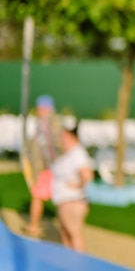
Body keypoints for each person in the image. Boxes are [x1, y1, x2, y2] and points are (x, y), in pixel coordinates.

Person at [50, 120, 94, 252]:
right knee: (66, 234)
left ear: (72, 137)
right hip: (65, 199)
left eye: (64, 137)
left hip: (72, 200)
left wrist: (78, 185)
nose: (61, 140)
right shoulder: (69, 153)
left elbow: (87, 174)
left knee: (74, 233)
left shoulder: (77, 154)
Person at [23, 94, 62, 238]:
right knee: (44, 197)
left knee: (40, 196)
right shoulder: (48, 123)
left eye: (40, 107)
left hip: (49, 169)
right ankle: (35, 225)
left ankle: (35, 226)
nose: (38, 110)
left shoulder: (49, 124)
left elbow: (50, 149)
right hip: (49, 168)